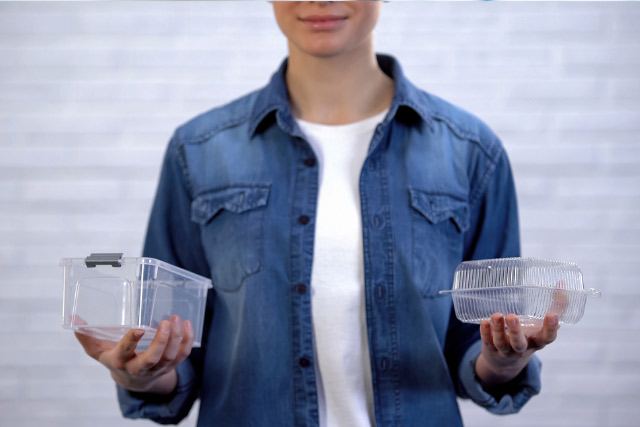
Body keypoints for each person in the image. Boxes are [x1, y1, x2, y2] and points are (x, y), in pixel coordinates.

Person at [75, 2, 560, 426]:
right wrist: (139, 372)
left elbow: (475, 347)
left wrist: (502, 360)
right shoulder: (199, 152)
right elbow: (172, 357)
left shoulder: (471, 153)